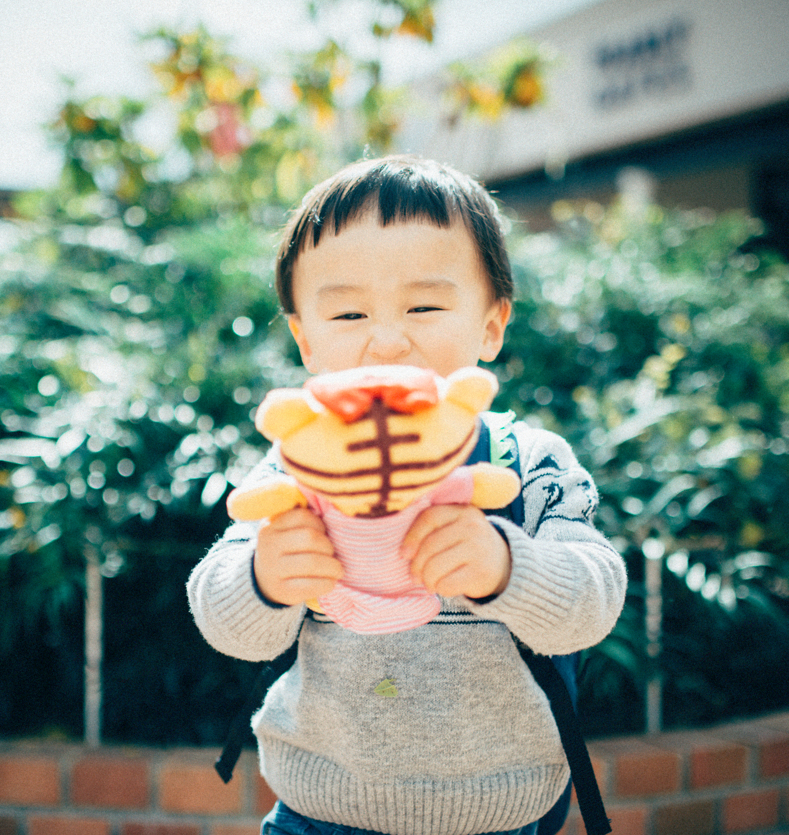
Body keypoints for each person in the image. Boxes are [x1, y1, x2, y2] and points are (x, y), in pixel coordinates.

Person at [187, 155, 627, 835]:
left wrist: (507, 567)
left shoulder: (526, 461)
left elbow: (596, 598)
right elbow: (220, 615)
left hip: (501, 816)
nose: (387, 339)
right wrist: (264, 577)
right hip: (319, 811)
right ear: (305, 338)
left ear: (491, 324)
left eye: (424, 305)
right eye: (348, 311)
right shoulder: (296, 465)